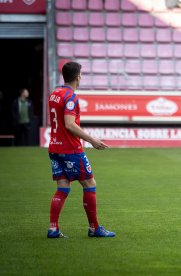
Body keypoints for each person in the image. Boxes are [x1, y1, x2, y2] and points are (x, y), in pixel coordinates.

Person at [47, 61, 115, 238]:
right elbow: (69, 124)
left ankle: (53, 228)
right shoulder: (70, 96)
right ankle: (94, 228)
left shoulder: (55, 93)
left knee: (62, 187)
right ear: (78, 77)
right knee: (89, 183)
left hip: (54, 147)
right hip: (70, 149)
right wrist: (92, 139)